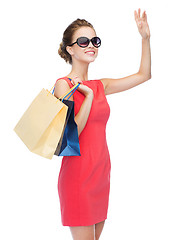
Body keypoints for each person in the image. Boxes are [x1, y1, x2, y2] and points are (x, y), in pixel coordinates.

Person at [54, 8, 151, 240]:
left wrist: (145, 39)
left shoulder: (101, 85)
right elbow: (71, 133)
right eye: (84, 41)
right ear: (70, 49)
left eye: (95, 40)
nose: (91, 45)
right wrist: (86, 96)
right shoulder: (63, 85)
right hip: (77, 176)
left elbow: (144, 75)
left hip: (100, 172)